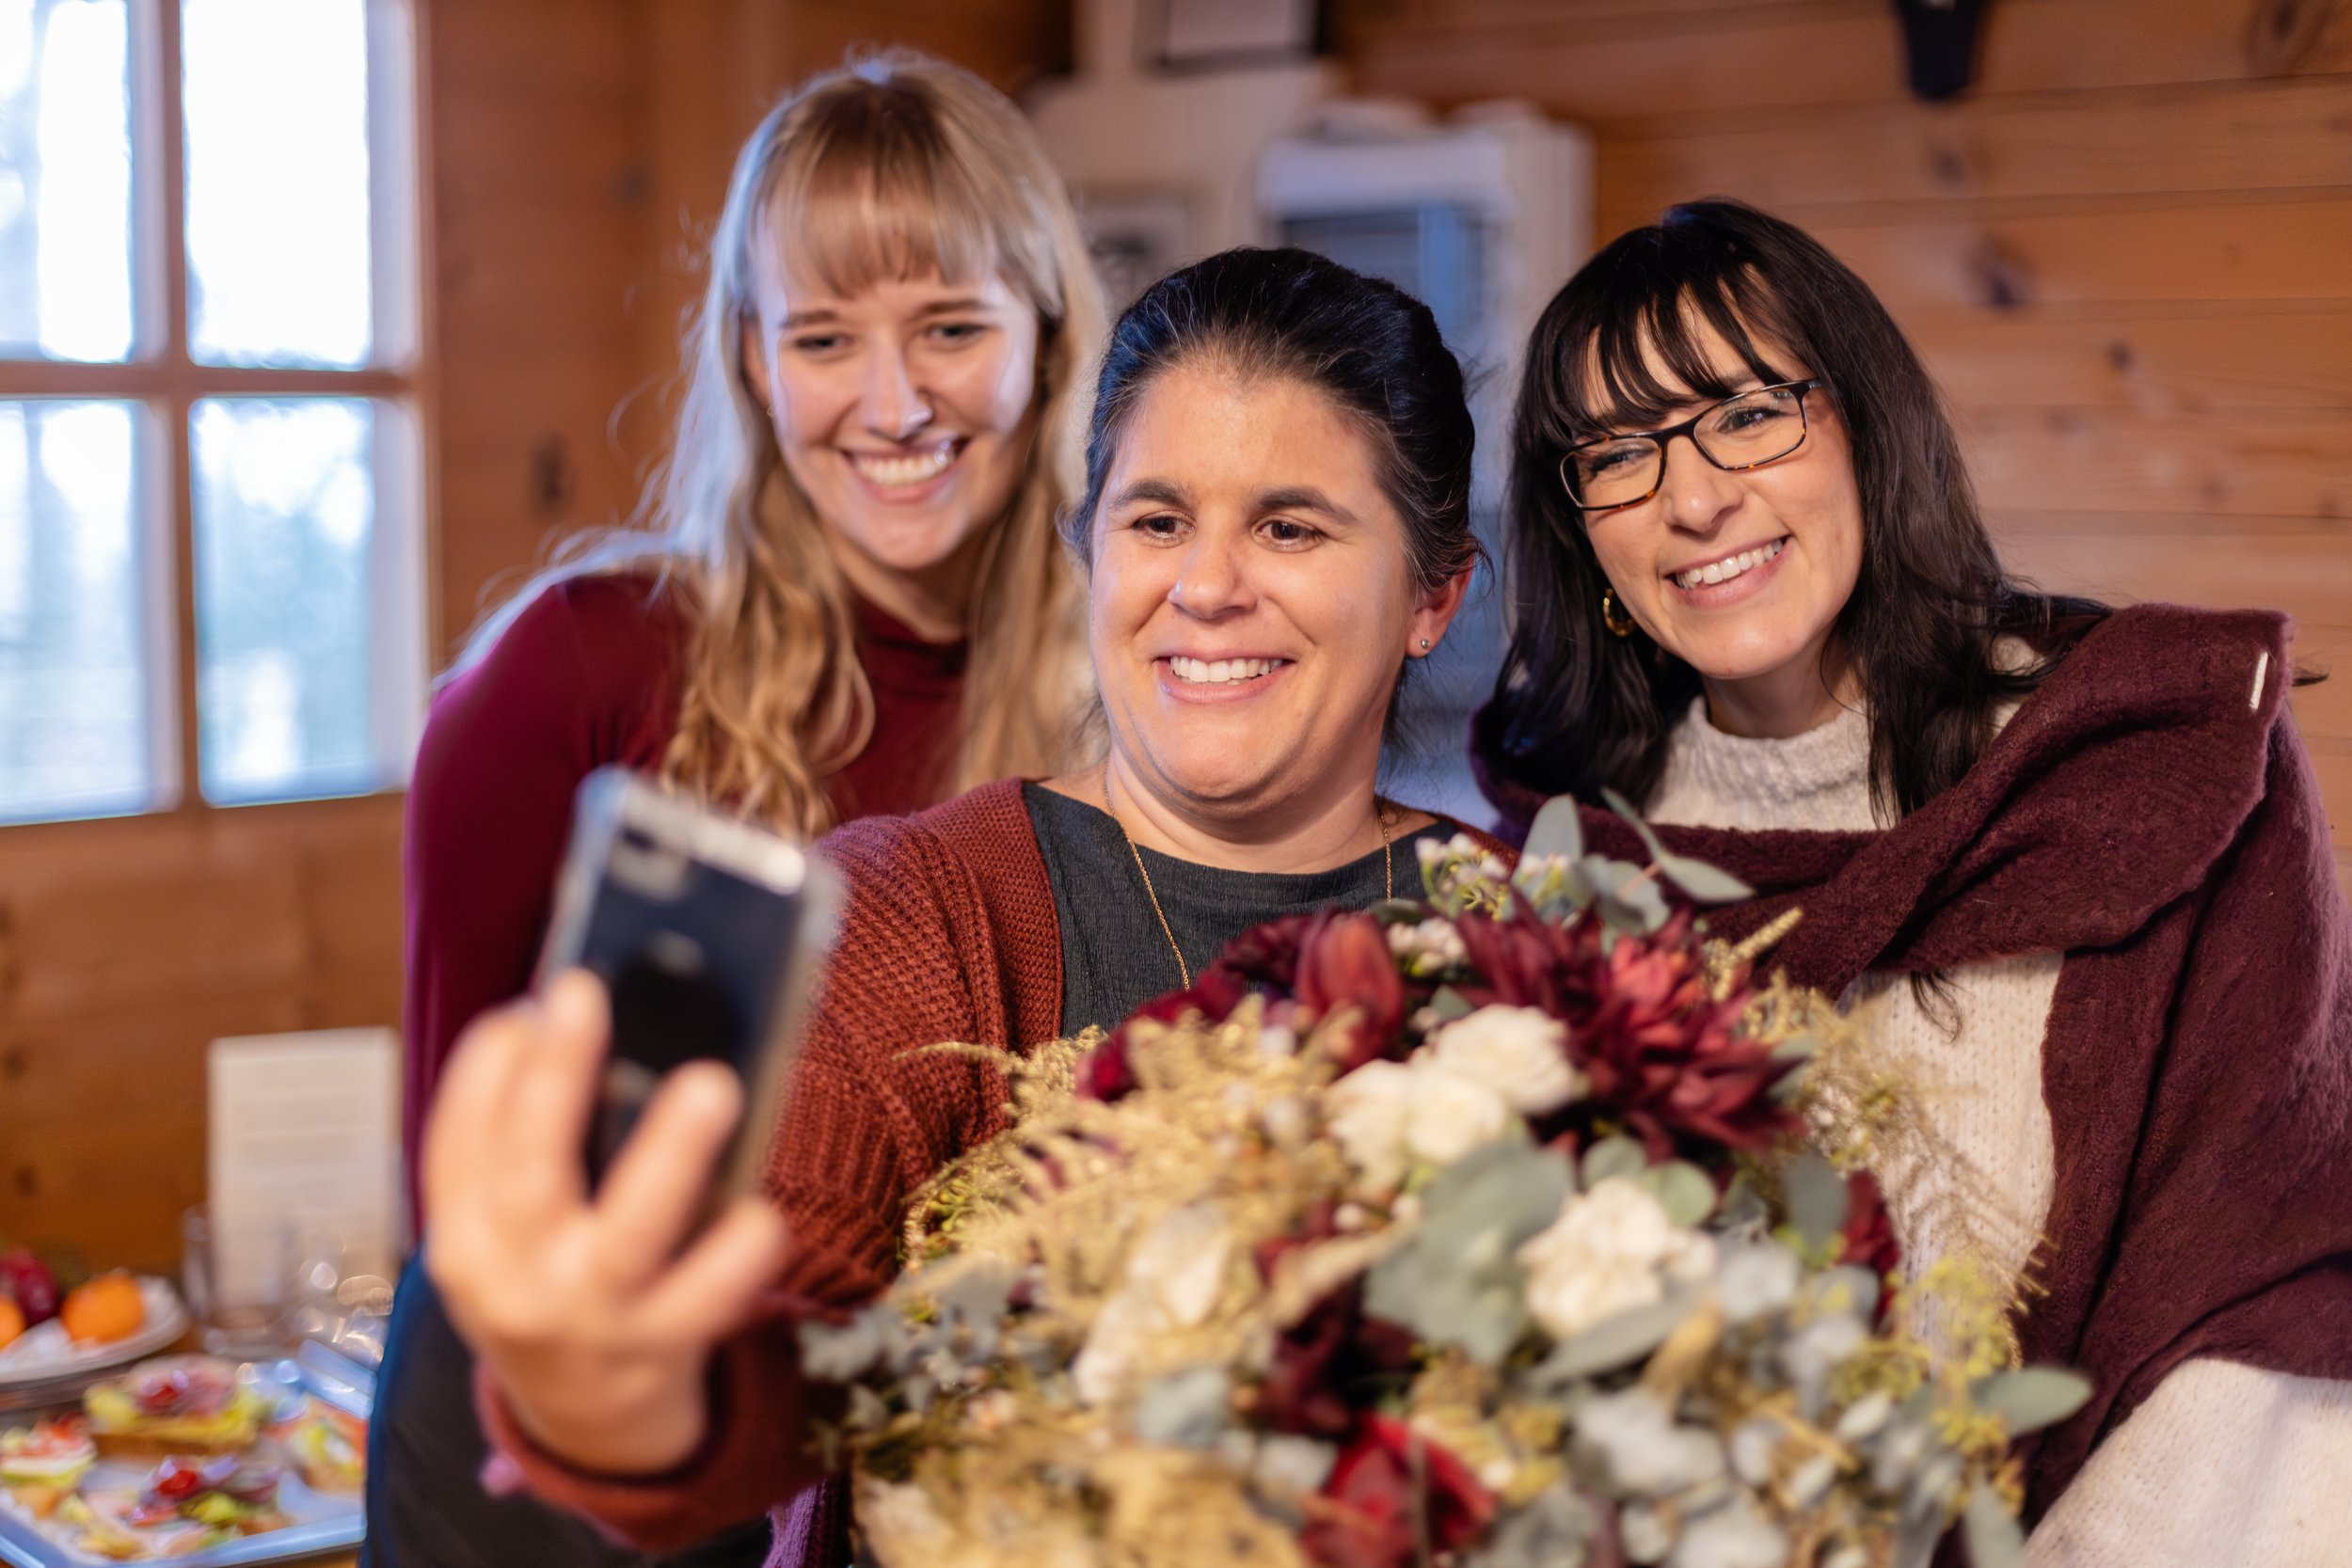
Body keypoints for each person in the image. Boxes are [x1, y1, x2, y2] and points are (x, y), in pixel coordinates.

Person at [418, 246, 1496, 1566]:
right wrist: (641, 1395)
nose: (1207, 586)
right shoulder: (916, 912)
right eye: (1156, 521)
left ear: (1434, 593)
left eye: (1290, 526)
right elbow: (785, 1313)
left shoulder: (1534, 936)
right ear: (1088, 553)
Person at [1473, 198, 2352, 1564]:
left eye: (1749, 411)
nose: (1694, 495)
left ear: (1867, 426)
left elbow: (2265, 1278)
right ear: (1581, 528)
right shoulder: (1576, 859)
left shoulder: (2151, 762)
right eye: (1620, 453)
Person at [367, 51, 1105, 1568]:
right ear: (757, 364)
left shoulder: (1128, 696)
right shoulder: (569, 673)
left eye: (950, 329)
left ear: (1047, 335)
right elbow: (458, 1162)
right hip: (555, 1463)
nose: (893, 403)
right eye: (826, 336)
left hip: (898, 1455)